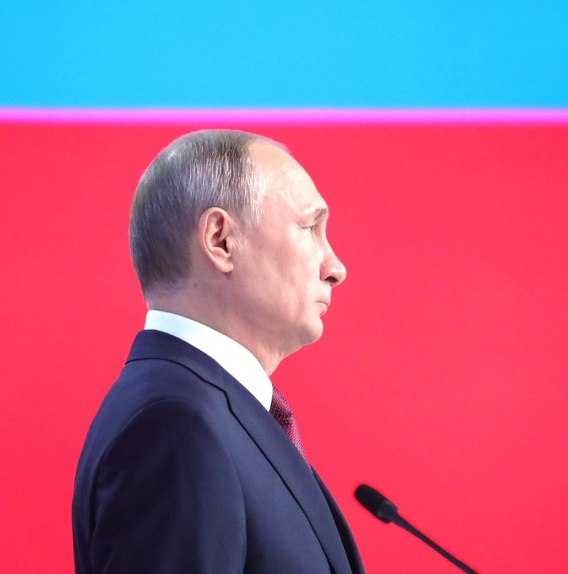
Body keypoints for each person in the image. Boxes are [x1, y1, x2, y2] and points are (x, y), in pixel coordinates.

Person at [71, 130, 364, 573]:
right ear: (221, 240)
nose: (335, 268)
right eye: (309, 228)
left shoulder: (206, 412)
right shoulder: (174, 426)